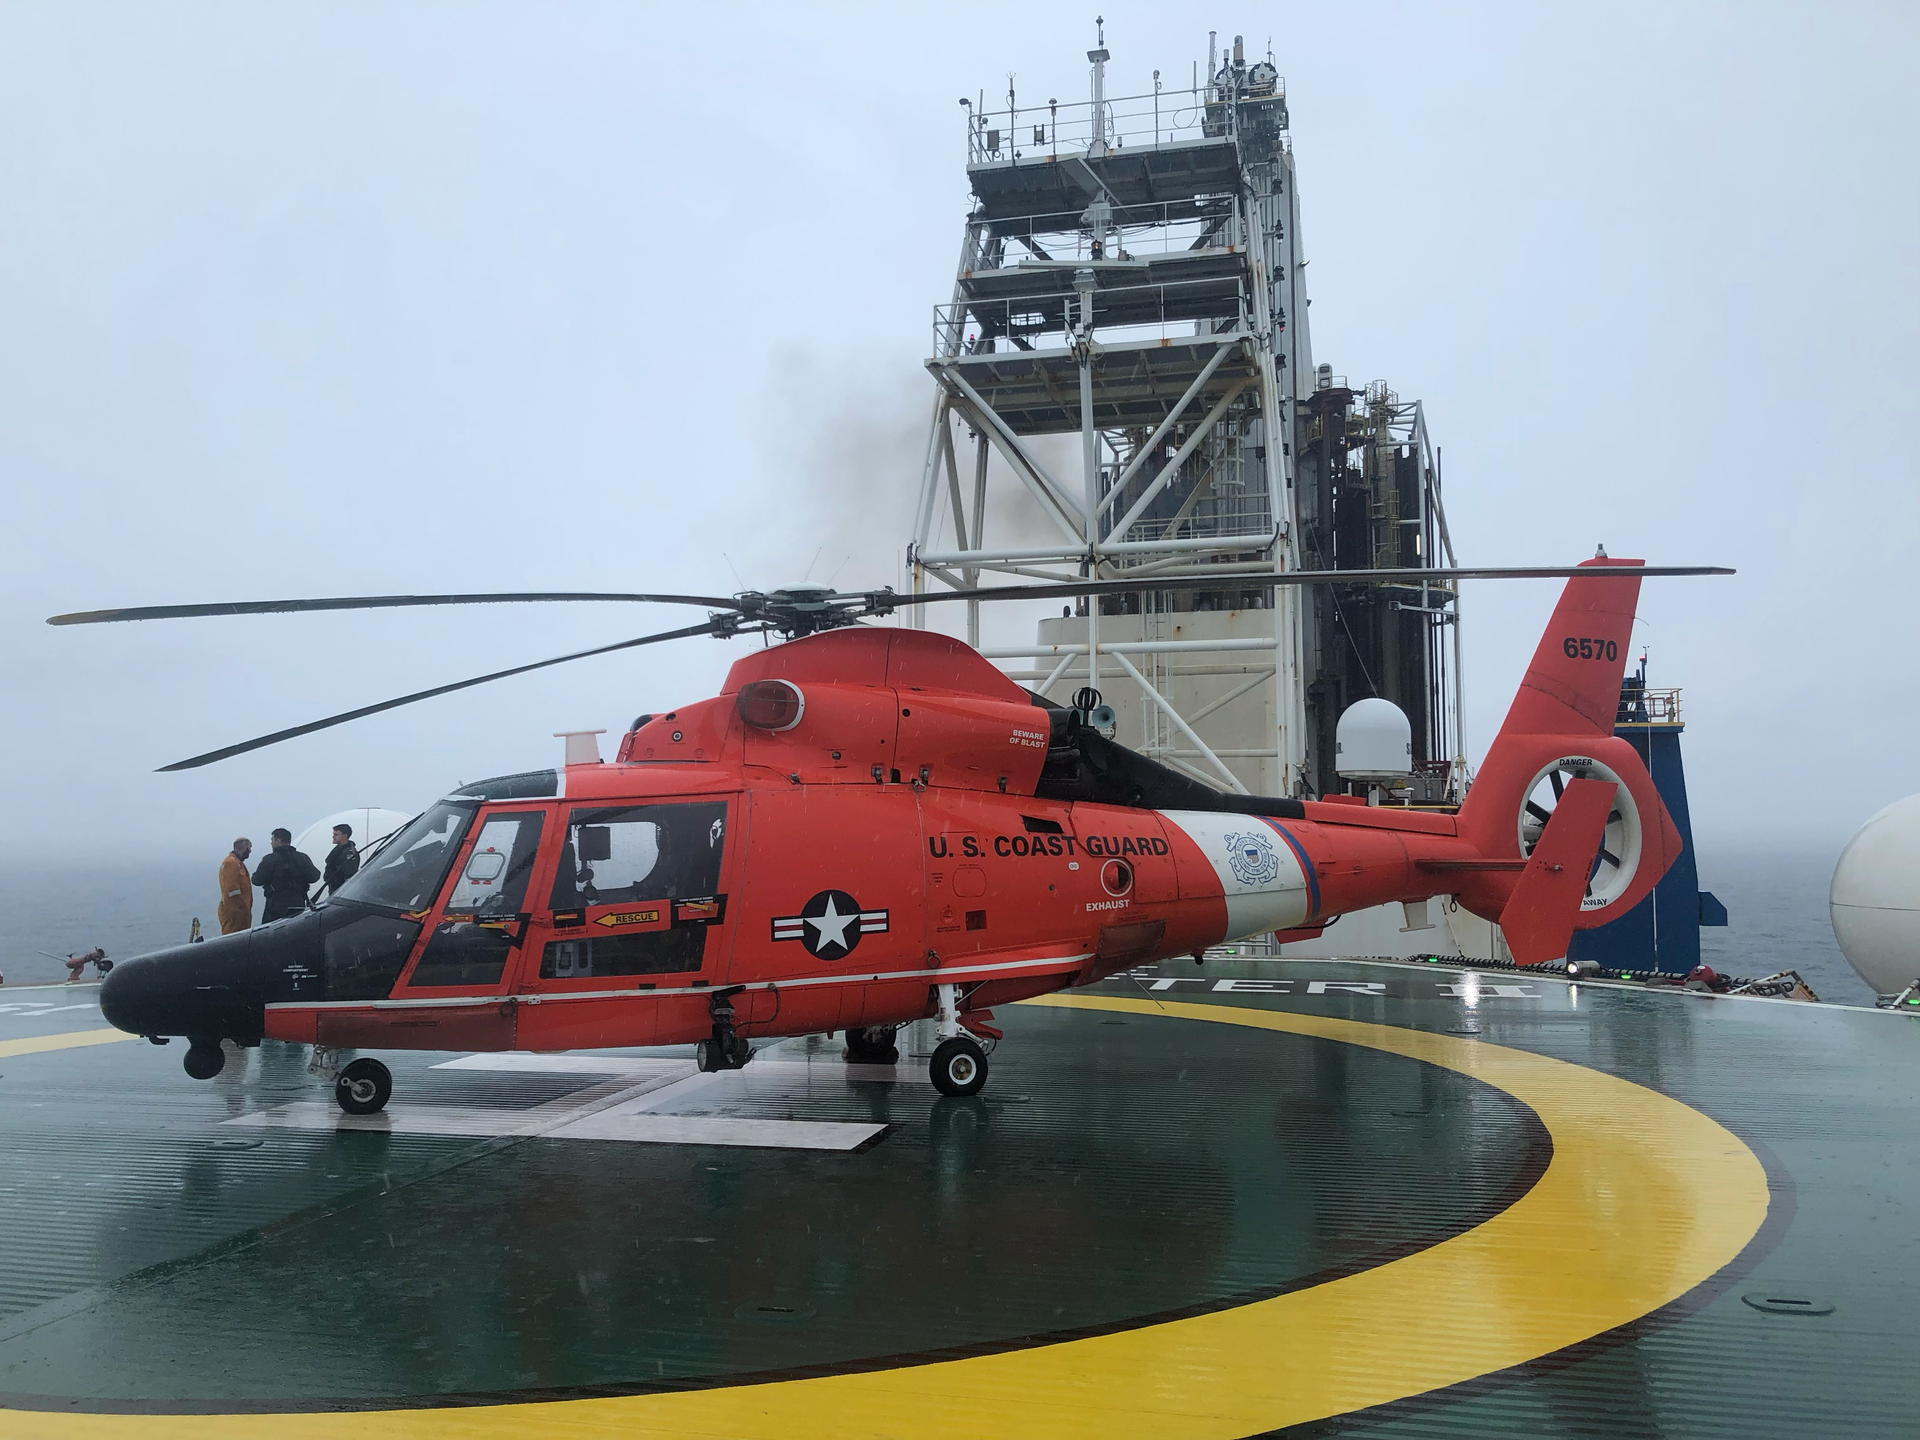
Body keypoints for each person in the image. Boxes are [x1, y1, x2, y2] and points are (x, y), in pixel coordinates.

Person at [253, 828, 320, 923]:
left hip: (274, 907)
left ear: (277, 840)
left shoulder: (269, 859)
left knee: (272, 935)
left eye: (272, 840)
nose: (271, 843)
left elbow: (256, 880)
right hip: (297, 905)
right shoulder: (302, 858)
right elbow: (315, 877)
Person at [218, 839, 254, 935]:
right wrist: (241, 909)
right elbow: (232, 890)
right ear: (242, 847)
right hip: (234, 914)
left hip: (239, 913)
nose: (250, 851)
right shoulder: (231, 863)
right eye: (249, 847)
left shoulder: (238, 863)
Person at [323, 823, 361, 893]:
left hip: (341, 890)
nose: (333, 837)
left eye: (336, 835)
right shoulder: (338, 850)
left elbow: (349, 873)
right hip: (333, 888)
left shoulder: (349, 853)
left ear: (345, 835)